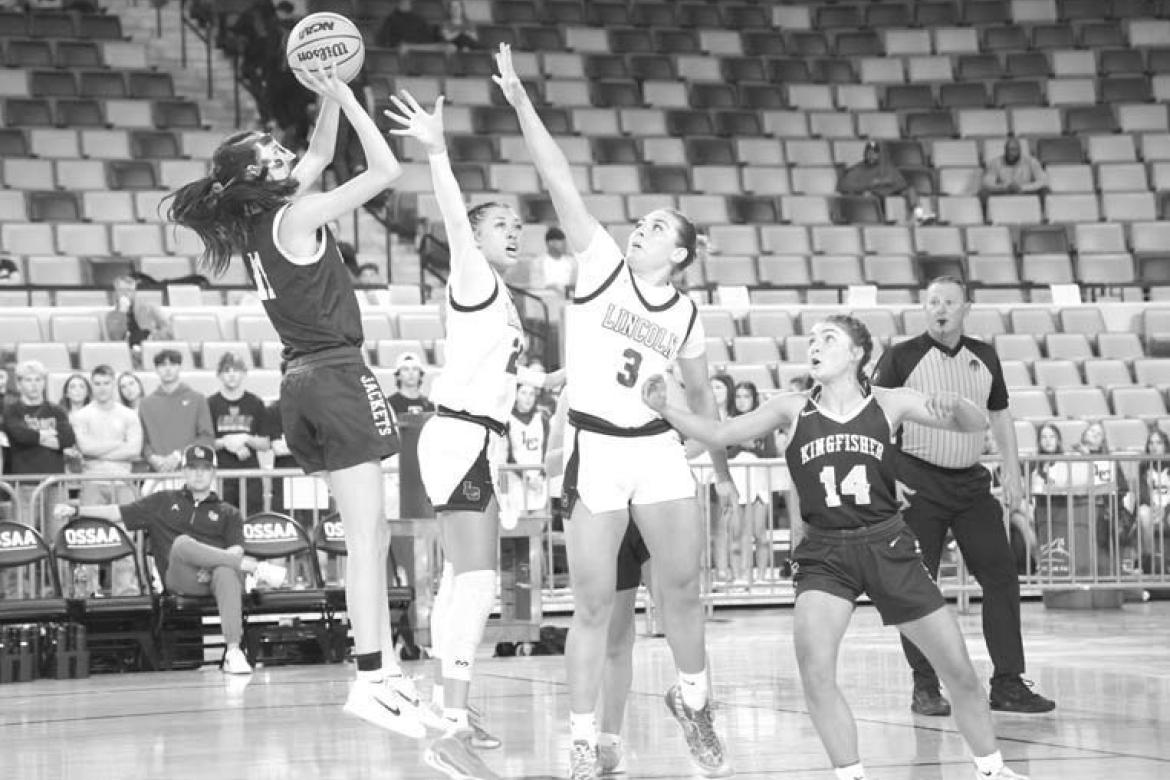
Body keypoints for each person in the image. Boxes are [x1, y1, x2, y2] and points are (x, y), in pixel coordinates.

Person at [645, 314, 1030, 780]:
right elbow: (720, 435)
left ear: (856, 354)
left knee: (960, 673)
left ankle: (991, 769)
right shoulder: (792, 407)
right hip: (825, 553)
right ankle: (850, 774)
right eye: (811, 339)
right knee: (815, 671)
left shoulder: (889, 402)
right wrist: (666, 407)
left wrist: (959, 405)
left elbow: (970, 425)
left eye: (829, 339)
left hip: (887, 544)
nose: (815, 345)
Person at [493, 43, 736, 780]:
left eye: (661, 227)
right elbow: (557, 176)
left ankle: (693, 699)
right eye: (645, 220)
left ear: (683, 254)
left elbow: (702, 397)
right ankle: (581, 741)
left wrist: (720, 466)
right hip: (597, 452)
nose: (644, 229)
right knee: (596, 609)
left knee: (685, 589)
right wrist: (521, 101)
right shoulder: (599, 266)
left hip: (659, 451)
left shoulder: (687, 312)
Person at [166, 65, 429, 738]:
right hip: (335, 375)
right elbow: (387, 172)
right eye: (270, 155)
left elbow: (315, 154)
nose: (286, 155)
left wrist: (326, 97)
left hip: (304, 379)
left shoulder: (266, 216)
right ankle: (373, 677)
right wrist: (347, 98)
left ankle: (385, 671)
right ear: (258, 178)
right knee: (368, 538)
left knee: (367, 537)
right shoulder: (297, 212)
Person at [385, 88, 562, 779]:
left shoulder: (509, 301)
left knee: (466, 578)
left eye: (518, 227)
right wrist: (437, 153)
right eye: (500, 227)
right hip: (458, 435)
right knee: (479, 579)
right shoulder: (473, 278)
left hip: (474, 436)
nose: (511, 234)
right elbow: (455, 223)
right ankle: (448, 723)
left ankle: (447, 705)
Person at [871, 276, 1055, 716]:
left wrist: (1011, 471)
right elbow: (877, 420)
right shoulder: (900, 357)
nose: (940, 308)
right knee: (918, 586)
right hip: (917, 481)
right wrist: (885, 478)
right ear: (924, 307)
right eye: (933, 301)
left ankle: (1008, 682)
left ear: (966, 307)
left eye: (949, 302)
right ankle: (925, 686)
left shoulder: (984, 355)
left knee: (1001, 576)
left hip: (971, 483)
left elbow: (1000, 414)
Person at [53, 444, 287, 675]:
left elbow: (235, 551)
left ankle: (233, 652)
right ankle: (255, 568)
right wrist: (76, 510)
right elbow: (117, 512)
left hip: (214, 577)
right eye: (193, 467)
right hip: (179, 578)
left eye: (204, 468)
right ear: (183, 471)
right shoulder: (162, 501)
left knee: (226, 573)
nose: (198, 473)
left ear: (213, 473)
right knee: (182, 543)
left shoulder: (229, 512)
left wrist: (213, 563)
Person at [546, 388, 652, 777]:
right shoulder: (576, 387)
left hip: (651, 505)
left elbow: (689, 441)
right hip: (601, 505)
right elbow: (550, 461)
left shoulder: (653, 367)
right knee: (614, 633)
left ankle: (696, 704)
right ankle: (596, 739)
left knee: (678, 612)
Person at [72, 364, 144, 596]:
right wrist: (118, 445)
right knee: (90, 537)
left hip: (123, 483)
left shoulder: (128, 415)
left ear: (114, 384)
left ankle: (126, 593)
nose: (102, 388)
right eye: (97, 383)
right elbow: (84, 448)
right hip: (92, 482)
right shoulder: (81, 415)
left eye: (106, 383)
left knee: (124, 538)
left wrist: (97, 451)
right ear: (92, 385)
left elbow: (134, 449)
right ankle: (88, 592)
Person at [2, 360, 76, 551]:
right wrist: (47, 436)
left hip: (54, 484)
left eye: (38, 380)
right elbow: (19, 434)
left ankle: (57, 580)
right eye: (28, 380)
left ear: (44, 382)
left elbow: (67, 438)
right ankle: (23, 581)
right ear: (19, 384)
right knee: (23, 541)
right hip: (25, 484)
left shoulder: (56, 411)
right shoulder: (12, 411)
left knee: (58, 539)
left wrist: (34, 437)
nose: (34, 385)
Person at [207, 352, 270, 517]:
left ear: (244, 373)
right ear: (219, 375)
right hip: (221, 476)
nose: (232, 375)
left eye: (236, 370)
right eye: (227, 371)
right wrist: (227, 442)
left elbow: (265, 444)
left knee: (252, 520)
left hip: (251, 476)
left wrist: (246, 438)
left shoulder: (255, 403)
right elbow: (205, 442)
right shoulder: (210, 404)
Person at [730, 380, 780, 582]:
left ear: (754, 398)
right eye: (739, 396)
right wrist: (742, 443)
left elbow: (770, 452)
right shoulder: (728, 423)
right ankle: (739, 576)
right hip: (736, 482)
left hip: (759, 482)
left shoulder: (764, 422)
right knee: (736, 534)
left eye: (746, 396)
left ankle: (760, 575)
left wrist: (750, 446)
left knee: (760, 532)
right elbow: (724, 452)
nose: (742, 401)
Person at [139, 349, 215, 476]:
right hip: (158, 473)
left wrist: (179, 455)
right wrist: (153, 458)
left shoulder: (197, 399)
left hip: (192, 472)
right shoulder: (146, 404)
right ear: (156, 370)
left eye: (172, 364)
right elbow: (143, 441)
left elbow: (206, 437)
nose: (168, 369)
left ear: (179, 367)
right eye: (163, 365)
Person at [837, 139, 930, 224]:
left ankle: (919, 216)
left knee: (911, 190)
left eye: (874, 153)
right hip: (872, 195)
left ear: (878, 154)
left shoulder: (887, 167)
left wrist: (885, 183)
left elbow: (901, 183)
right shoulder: (858, 169)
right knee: (870, 195)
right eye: (869, 153)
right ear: (865, 154)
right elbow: (843, 186)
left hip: (891, 192)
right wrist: (869, 185)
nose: (871, 156)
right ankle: (882, 220)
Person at [503, 382, 551, 518]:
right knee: (520, 529)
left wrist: (540, 476)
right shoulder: (507, 420)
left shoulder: (542, 419)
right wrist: (527, 479)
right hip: (516, 482)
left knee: (538, 529)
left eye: (531, 394)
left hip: (539, 482)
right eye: (523, 393)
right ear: (516, 395)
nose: (528, 398)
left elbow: (546, 450)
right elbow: (508, 456)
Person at [106, 275, 173, 349]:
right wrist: (122, 312)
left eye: (129, 290)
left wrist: (152, 337)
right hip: (126, 352)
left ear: (134, 293)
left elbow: (168, 330)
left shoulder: (149, 308)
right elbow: (116, 339)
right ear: (116, 293)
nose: (125, 294)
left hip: (149, 348)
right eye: (121, 290)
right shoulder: (112, 316)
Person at [980, 137, 1049, 203]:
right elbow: (987, 183)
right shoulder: (995, 162)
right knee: (983, 193)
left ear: (1019, 150)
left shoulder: (1032, 161)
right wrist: (1004, 187)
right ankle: (987, 215)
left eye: (1013, 149)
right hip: (1003, 192)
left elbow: (1042, 181)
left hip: (1026, 192)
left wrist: (1022, 188)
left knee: (1045, 190)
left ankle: (1044, 215)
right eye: (1008, 149)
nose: (1010, 153)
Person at [387, 352, 435, 417]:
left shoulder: (430, 405)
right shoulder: (389, 404)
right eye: (405, 369)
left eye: (415, 369)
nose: (411, 373)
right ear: (398, 375)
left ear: (420, 374)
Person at [536, 226, 577, 295]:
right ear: (551, 243)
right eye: (562, 243)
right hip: (546, 301)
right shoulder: (538, 263)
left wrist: (561, 290)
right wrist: (553, 287)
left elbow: (576, 287)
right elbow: (535, 287)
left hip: (568, 301)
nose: (565, 246)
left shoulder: (572, 262)